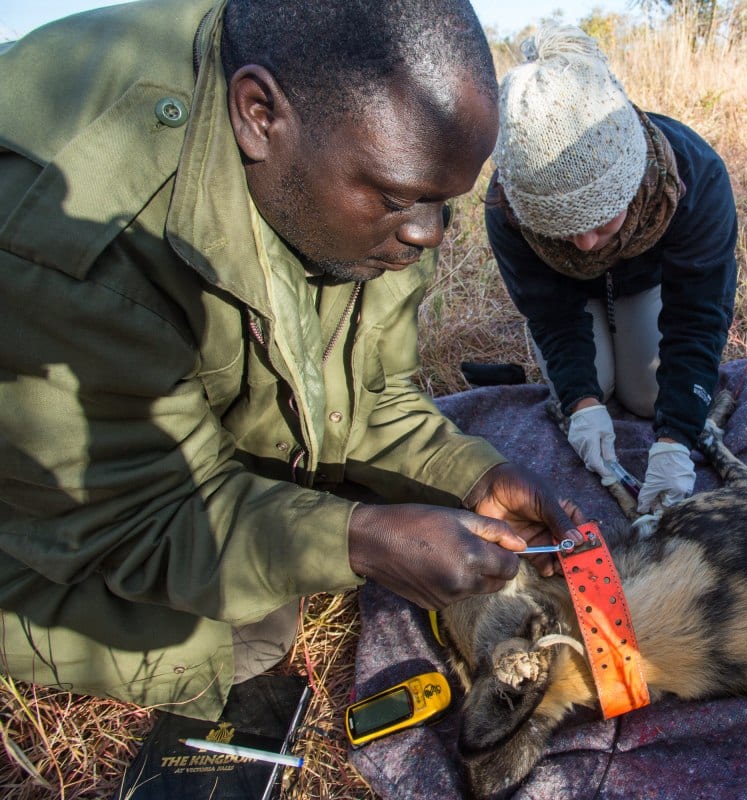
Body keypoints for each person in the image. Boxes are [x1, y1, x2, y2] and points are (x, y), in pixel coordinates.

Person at [0, 0, 582, 722]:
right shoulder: (74, 244)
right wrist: (358, 541)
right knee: (237, 635)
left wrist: (472, 473)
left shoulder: (369, 157)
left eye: (443, 203)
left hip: (138, 420)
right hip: (46, 483)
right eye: (401, 198)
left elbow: (369, 394)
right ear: (258, 114)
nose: (429, 235)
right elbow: (138, 517)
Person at [484, 23, 738, 515]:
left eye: (600, 221)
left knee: (648, 397)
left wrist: (675, 439)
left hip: (646, 284)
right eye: (559, 230)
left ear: (631, 179)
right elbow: (551, 313)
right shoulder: (505, 206)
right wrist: (581, 403)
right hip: (571, 298)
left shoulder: (696, 175)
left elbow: (698, 315)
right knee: (593, 384)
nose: (583, 244)